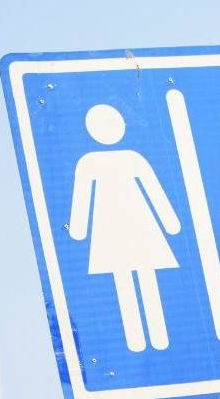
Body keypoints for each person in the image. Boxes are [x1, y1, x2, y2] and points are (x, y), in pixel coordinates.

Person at [68, 103, 182, 352]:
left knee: (146, 279)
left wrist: (171, 222)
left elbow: (153, 190)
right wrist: (77, 229)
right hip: (110, 231)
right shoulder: (89, 163)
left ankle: (159, 337)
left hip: (138, 227)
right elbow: (82, 198)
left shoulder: (132, 159)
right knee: (125, 284)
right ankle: (136, 341)